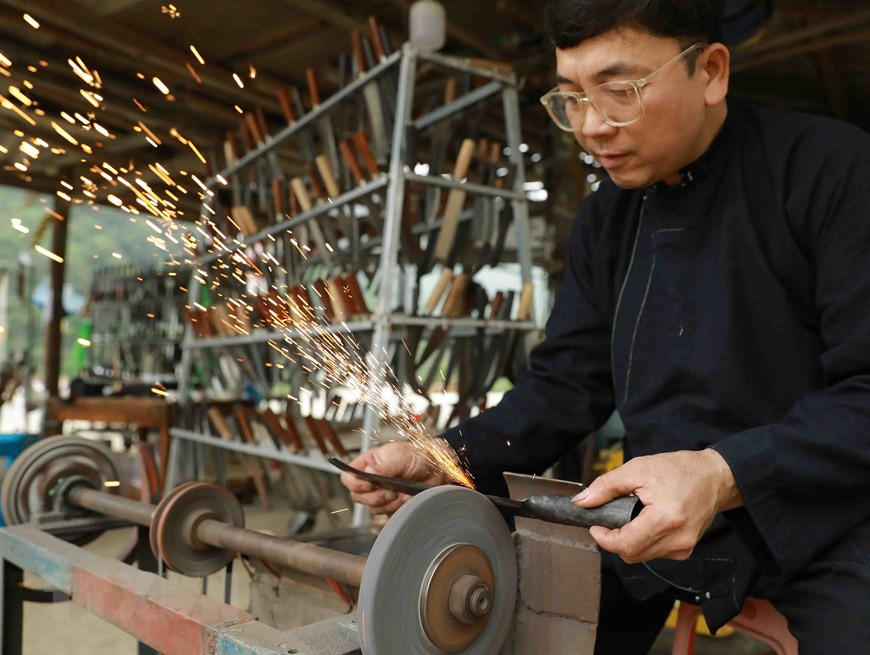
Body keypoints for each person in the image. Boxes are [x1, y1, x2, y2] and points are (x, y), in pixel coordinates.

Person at [342, 1, 870, 652]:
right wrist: (448, 461)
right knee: (517, 618)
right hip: (650, 520)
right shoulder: (606, 219)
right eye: (570, 98)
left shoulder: (832, 171)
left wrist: (723, 471)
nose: (591, 127)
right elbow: (563, 386)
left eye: (620, 92)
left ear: (709, 71)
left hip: (819, 511)